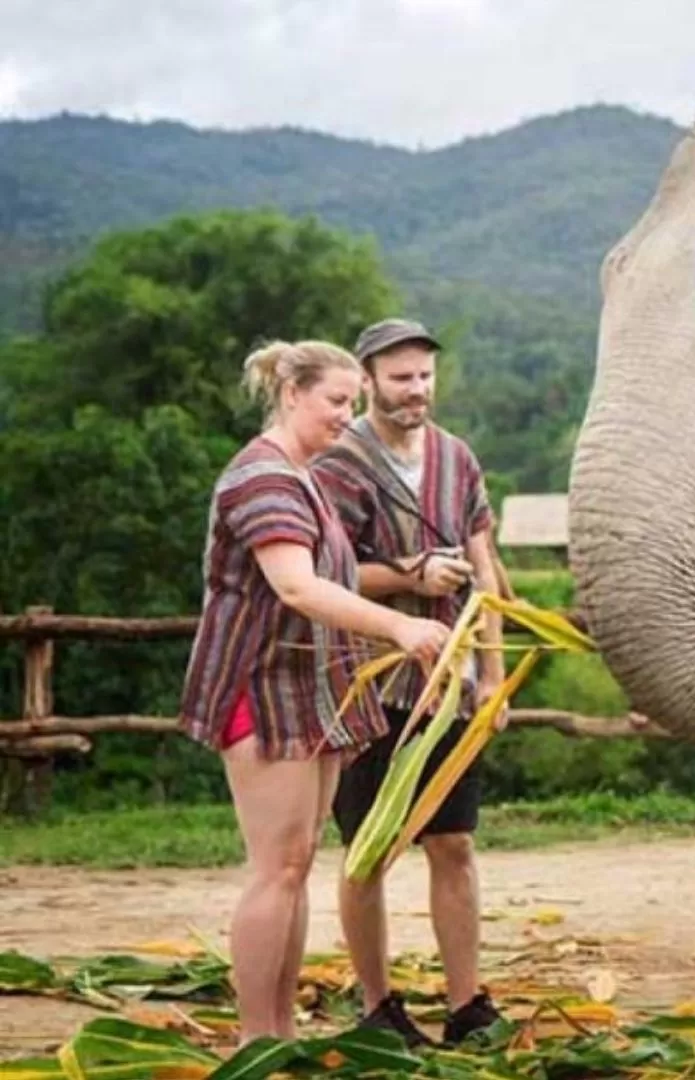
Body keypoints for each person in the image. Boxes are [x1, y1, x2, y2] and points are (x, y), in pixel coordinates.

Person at [178, 340, 450, 1045]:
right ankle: (253, 1039)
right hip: (261, 688)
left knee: (296, 865)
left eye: (353, 404)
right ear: (292, 393)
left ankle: (278, 1033)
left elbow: (338, 574)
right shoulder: (261, 479)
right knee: (276, 869)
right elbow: (296, 587)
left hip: (311, 688)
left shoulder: (303, 478)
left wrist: (409, 583)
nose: (346, 417)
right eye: (336, 402)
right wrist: (399, 627)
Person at [311, 317, 510, 1048]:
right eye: (401, 378)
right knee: (368, 847)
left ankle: (468, 1006)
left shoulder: (458, 459)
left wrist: (491, 677)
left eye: (425, 376)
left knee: (454, 842)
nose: (416, 390)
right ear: (367, 379)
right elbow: (325, 574)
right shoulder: (337, 464)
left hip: (449, 683)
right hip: (369, 685)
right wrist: (409, 576)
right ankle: (378, 1008)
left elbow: (485, 569)